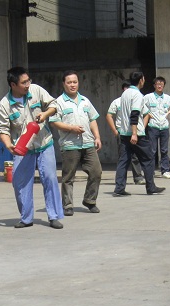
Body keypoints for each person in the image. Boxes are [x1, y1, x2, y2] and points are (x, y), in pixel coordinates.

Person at [0, 66, 63, 229]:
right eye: (24, 82)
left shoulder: (36, 90)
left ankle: (53, 216)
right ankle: (26, 218)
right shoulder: (4, 105)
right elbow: (3, 129)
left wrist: (45, 114)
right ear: (13, 85)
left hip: (44, 143)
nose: (27, 85)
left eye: (28, 81)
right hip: (23, 148)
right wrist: (8, 145)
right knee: (20, 183)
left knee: (50, 178)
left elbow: (54, 104)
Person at [49, 70, 103, 216]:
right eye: (69, 82)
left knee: (96, 172)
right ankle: (67, 205)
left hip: (88, 143)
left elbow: (93, 119)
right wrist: (71, 128)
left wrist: (97, 137)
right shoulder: (58, 102)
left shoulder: (85, 100)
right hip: (70, 144)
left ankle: (90, 200)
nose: (72, 85)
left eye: (75, 82)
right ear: (64, 84)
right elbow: (54, 122)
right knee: (68, 177)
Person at [112, 71, 164, 197]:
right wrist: (135, 133)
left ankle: (119, 188)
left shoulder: (125, 94)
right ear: (141, 80)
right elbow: (134, 114)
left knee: (123, 161)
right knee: (148, 159)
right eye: (144, 79)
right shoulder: (137, 95)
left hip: (124, 133)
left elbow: (144, 113)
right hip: (136, 134)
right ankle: (151, 187)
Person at [107, 82, 146, 184]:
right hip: (122, 133)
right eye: (126, 88)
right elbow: (109, 115)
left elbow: (147, 114)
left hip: (135, 132)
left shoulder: (138, 99)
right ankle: (120, 183)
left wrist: (142, 128)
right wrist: (115, 131)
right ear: (123, 89)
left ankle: (138, 177)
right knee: (123, 158)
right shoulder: (117, 102)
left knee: (135, 156)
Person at [143, 76, 170, 178]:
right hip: (153, 126)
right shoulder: (148, 97)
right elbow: (141, 104)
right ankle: (150, 171)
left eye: (161, 84)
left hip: (164, 126)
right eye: (158, 84)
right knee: (152, 150)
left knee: (164, 150)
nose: (159, 86)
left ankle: (165, 170)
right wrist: (148, 113)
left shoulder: (167, 98)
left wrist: (168, 113)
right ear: (154, 85)